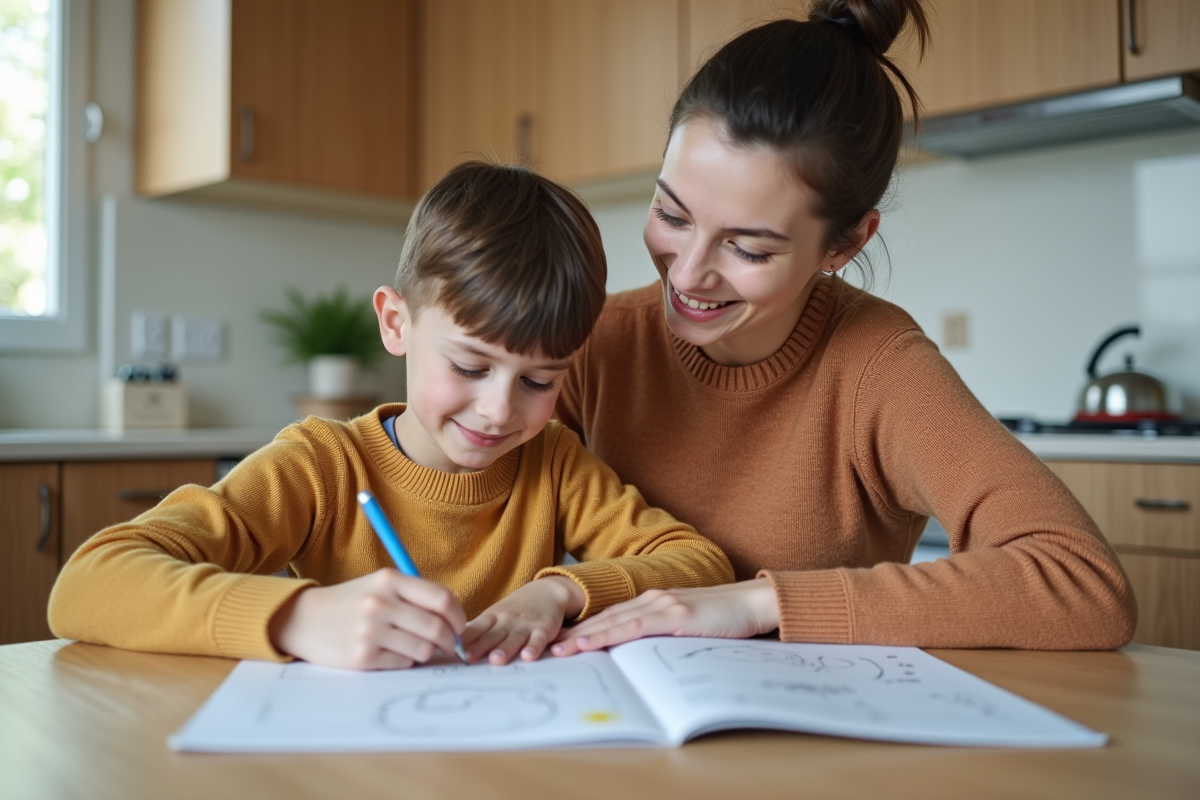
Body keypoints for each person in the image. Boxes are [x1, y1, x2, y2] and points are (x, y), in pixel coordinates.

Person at [550, 0, 1135, 656]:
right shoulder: (595, 344)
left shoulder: (879, 367)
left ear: (845, 244)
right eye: (671, 214)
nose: (686, 274)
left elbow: (1083, 582)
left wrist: (757, 603)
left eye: (748, 249)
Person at [48, 162, 734, 671]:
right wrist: (296, 618)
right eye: (469, 367)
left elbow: (701, 565)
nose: (499, 409)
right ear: (396, 322)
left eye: (539, 380)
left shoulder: (554, 463)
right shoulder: (321, 466)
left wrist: (561, 592)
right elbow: (88, 583)